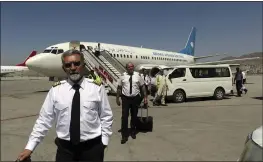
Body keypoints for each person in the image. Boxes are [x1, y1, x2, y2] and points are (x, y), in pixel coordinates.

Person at [17, 49, 113, 162]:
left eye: (76, 63)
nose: (72, 68)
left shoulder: (96, 88)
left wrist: (104, 142)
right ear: (64, 68)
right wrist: (30, 147)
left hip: (92, 148)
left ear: (83, 65)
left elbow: (106, 116)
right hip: (65, 150)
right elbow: (44, 120)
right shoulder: (56, 90)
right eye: (68, 65)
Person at [116, 62, 147, 144]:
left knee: (134, 116)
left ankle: (133, 131)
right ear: (126, 68)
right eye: (129, 67)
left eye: (132, 66)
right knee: (124, 117)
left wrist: (145, 98)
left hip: (135, 98)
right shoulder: (122, 76)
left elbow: (143, 86)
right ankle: (124, 135)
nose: (131, 68)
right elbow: (119, 87)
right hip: (125, 98)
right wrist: (117, 98)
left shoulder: (138, 75)